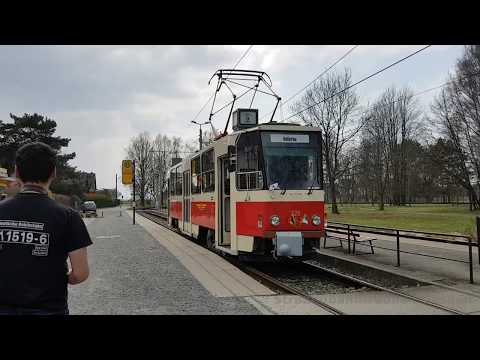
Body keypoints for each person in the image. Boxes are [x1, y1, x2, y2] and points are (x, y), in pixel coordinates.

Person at [0, 142, 92, 315]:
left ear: (17, 172)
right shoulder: (69, 217)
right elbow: (80, 273)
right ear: (53, 173)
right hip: (49, 309)